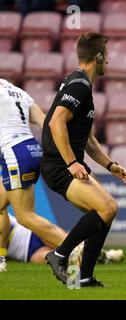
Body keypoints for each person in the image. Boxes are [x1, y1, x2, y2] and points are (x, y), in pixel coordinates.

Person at [40, 31, 126, 287]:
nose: (109, 61)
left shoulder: (81, 84)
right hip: (59, 165)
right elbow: (56, 122)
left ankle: (83, 276)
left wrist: (110, 165)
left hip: (63, 163)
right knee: (107, 208)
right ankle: (59, 254)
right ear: (99, 56)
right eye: (107, 56)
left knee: (105, 211)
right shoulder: (79, 84)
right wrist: (72, 163)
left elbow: (89, 140)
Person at [0, 78, 67, 272]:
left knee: (25, 217)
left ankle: (76, 250)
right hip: (32, 149)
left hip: (14, 152)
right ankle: (1, 257)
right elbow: (46, 123)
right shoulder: (17, 91)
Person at [0, 212, 123, 269]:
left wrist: (1, 254)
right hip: (25, 253)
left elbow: (3, 227)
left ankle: (107, 254)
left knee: (73, 247)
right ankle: (101, 258)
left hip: (33, 233)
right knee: (63, 260)